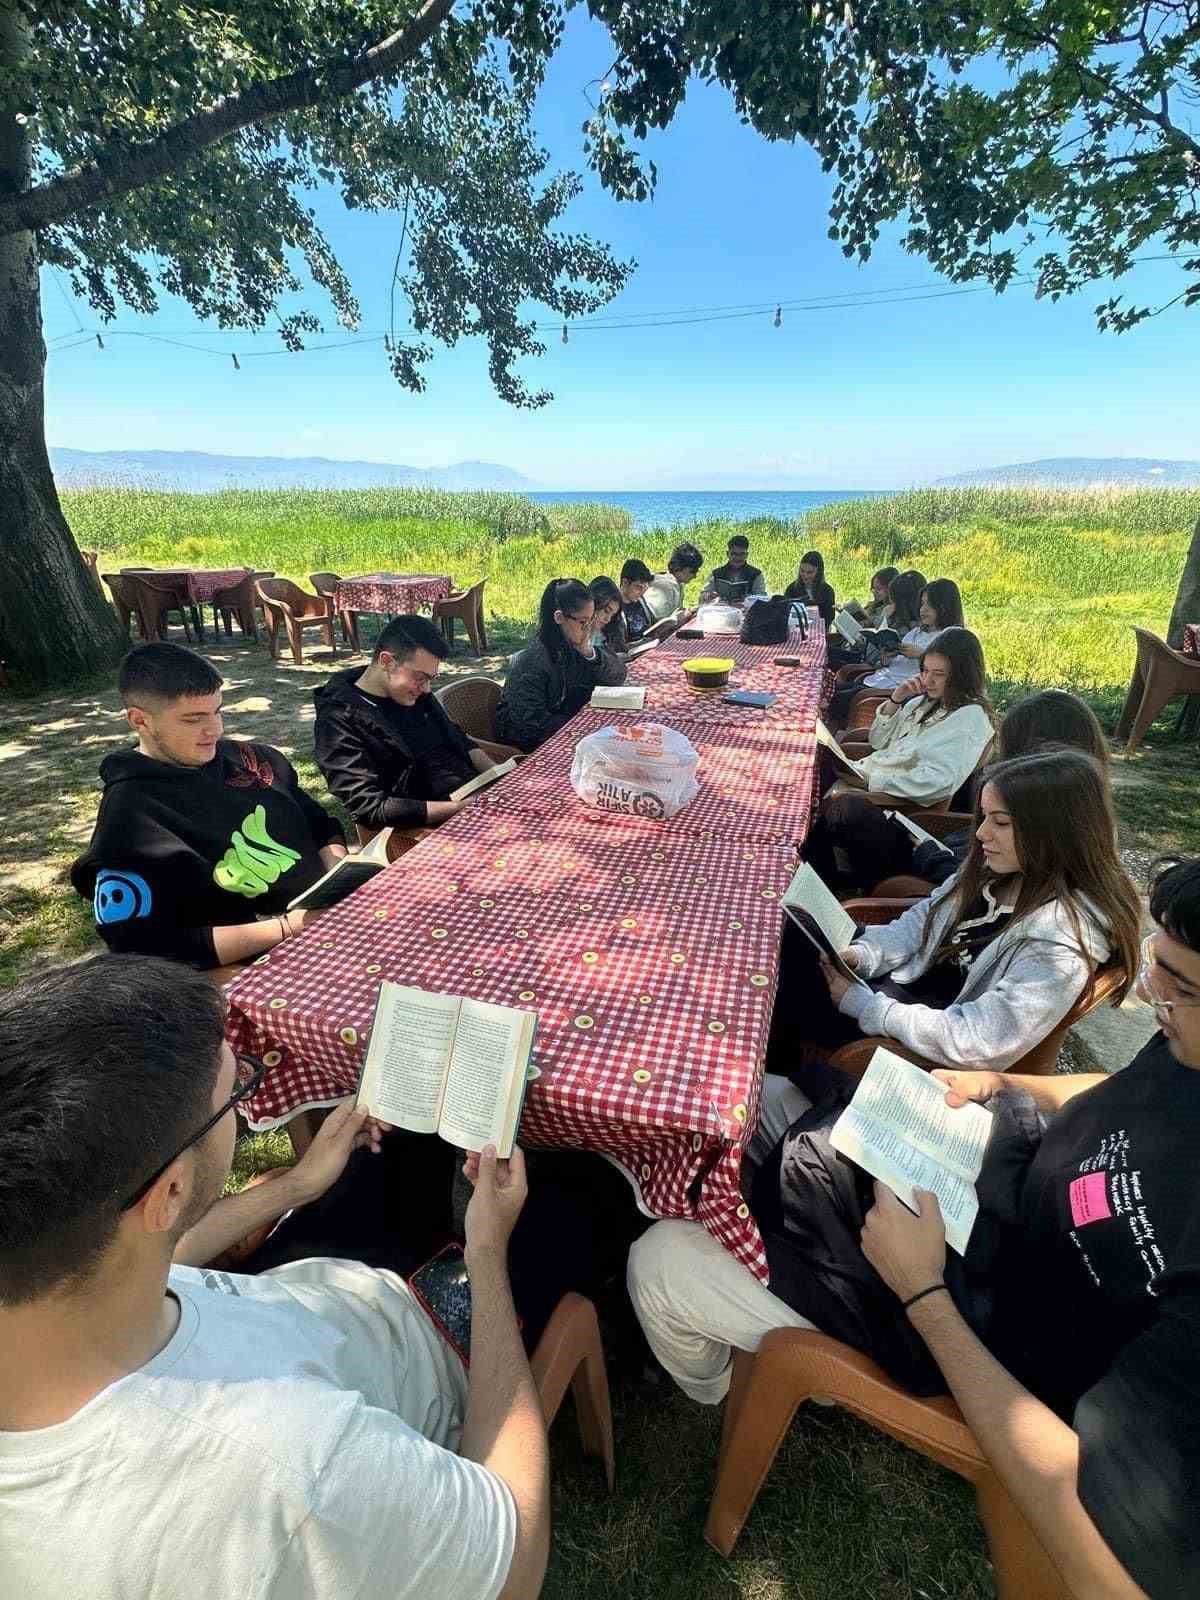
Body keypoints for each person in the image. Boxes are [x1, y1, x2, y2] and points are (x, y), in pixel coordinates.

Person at [629, 853, 1200, 1599]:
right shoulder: (1186, 1048)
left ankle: (724, 1384)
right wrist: (1004, 1083)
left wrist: (921, 1291)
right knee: (759, 1102)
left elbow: (1109, 1574)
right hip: (978, 1203)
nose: (1152, 995)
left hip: (977, 1330)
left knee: (659, 1259)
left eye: (1180, 986)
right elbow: (1123, 1088)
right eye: (1158, 967)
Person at [0, 954, 549, 1600]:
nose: (241, 1104)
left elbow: (149, 1255)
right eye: (235, 1094)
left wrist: (297, 1184)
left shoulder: (55, 1299)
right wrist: (487, 1253)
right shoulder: (301, 1466)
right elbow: (516, 1559)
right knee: (565, 1210)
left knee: (388, 1166)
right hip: (423, 1347)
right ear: (169, 1192)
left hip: (317, 1298)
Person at [773, 749, 1141, 1072]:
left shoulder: (1059, 945)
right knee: (788, 928)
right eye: (984, 817)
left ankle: (775, 1083)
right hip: (894, 992)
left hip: (910, 1037)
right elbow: (922, 920)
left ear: (1055, 834)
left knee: (782, 970)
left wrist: (865, 1006)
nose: (981, 834)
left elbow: (980, 1040)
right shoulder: (996, 874)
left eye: (1000, 822)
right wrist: (864, 955)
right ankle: (774, 1075)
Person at [71, 642, 347, 968]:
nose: (215, 730)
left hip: (333, 920)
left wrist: (340, 877)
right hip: (259, 964)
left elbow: (319, 823)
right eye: (192, 719)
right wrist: (289, 928)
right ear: (140, 720)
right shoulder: (128, 820)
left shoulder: (251, 760)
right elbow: (142, 948)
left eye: (218, 711)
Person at [827, 687, 1110, 894]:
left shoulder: (1044, 829)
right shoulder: (1070, 812)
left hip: (929, 875)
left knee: (847, 811)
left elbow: (974, 882)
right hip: (939, 848)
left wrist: (928, 852)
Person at [806, 629, 995, 891]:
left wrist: (870, 782)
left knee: (844, 808)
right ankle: (802, 867)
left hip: (903, 820)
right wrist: (896, 699)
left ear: (962, 676)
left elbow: (938, 783)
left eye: (939, 674)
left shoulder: (970, 718)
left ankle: (823, 884)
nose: (928, 680)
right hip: (868, 783)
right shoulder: (924, 703)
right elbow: (878, 741)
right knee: (811, 769)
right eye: (925, 671)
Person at [313, 615, 502, 834]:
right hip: (434, 827)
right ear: (386, 662)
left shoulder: (411, 691)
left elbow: (456, 736)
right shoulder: (338, 720)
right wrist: (463, 807)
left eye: (431, 679)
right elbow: (370, 808)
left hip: (477, 798)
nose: (427, 689)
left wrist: (497, 774)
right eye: (420, 678)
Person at [496, 578, 627, 751]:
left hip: (558, 735)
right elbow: (529, 725)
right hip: (527, 748)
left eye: (590, 621)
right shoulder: (533, 660)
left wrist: (589, 653)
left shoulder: (572, 648)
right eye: (583, 622)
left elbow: (618, 677)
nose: (588, 629)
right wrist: (581, 727)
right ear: (559, 617)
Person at [826, 573, 956, 727]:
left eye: (930, 605)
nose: (923, 609)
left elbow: (950, 668)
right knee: (827, 688)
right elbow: (896, 660)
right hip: (879, 679)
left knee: (832, 699)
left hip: (890, 691)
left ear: (944, 607)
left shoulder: (949, 636)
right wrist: (889, 657)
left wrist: (921, 654)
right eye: (922, 604)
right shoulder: (918, 631)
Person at [642, 541, 705, 625]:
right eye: (693, 571)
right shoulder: (667, 586)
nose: (695, 576)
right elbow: (655, 624)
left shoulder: (676, 584)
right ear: (679, 567)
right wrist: (681, 618)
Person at [705, 536, 767, 604]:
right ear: (727, 554)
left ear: (746, 555)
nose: (738, 558)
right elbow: (705, 595)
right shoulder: (716, 573)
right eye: (734, 554)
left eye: (742, 554)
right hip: (721, 609)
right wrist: (709, 596)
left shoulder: (756, 574)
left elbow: (761, 598)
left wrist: (747, 600)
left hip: (745, 609)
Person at [783, 549, 835, 625]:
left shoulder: (827, 591)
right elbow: (785, 614)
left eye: (810, 572)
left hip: (819, 630)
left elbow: (829, 618)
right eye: (802, 571)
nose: (805, 576)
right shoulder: (792, 589)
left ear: (818, 572)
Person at [617, 558, 655, 645]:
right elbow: (619, 646)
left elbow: (652, 624)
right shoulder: (615, 609)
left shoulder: (640, 601)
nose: (642, 592)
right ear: (625, 583)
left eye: (645, 587)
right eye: (638, 587)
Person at [589, 575, 627, 653]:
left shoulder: (606, 634)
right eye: (606, 611)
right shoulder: (575, 633)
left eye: (612, 615)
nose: (608, 619)